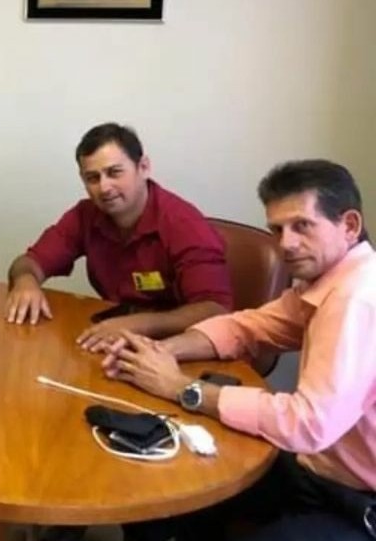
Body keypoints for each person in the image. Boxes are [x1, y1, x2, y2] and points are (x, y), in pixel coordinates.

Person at [103, 158, 376, 540]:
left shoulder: (358, 299)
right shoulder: (326, 280)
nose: (285, 244)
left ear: (349, 225)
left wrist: (182, 388)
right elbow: (250, 326)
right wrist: (164, 350)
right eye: (277, 229)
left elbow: (306, 423)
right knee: (160, 493)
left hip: (357, 503)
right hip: (315, 469)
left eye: (302, 226)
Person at [6, 123, 232, 351]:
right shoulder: (85, 215)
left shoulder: (183, 224)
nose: (104, 187)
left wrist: (139, 324)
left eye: (114, 173)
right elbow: (29, 262)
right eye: (93, 178)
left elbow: (216, 310)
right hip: (117, 340)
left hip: (179, 348)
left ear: (143, 167)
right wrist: (26, 281)